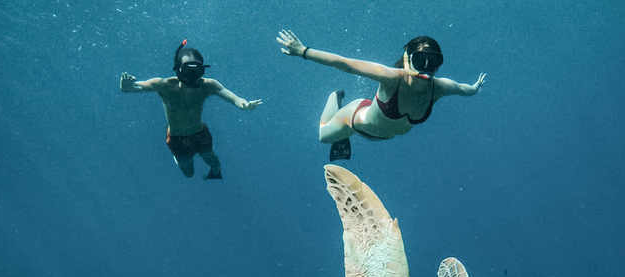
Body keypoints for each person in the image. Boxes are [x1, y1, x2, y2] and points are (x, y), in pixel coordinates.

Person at [277, 30, 486, 161]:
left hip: (380, 131)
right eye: (420, 60)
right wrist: (303, 51)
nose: (426, 69)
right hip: (354, 119)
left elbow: (462, 89)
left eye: (433, 63)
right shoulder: (392, 77)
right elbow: (346, 64)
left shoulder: (440, 87)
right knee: (323, 136)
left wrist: (476, 87)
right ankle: (335, 97)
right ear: (407, 58)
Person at [120, 40, 262, 179]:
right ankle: (178, 158)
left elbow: (232, 96)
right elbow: (135, 87)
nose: (192, 76)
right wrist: (126, 86)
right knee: (188, 173)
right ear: (178, 69)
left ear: (202, 70)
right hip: (177, 139)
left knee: (213, 160)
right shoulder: (165, 85)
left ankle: (213, 175)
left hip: (200, 133)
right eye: (188, 71)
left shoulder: (208, 85)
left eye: (196, 71)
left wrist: (243, 104)